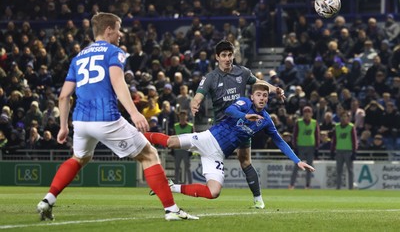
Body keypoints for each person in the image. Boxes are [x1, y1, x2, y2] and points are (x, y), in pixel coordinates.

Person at [36, 12, 198, 221]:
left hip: (81, 121)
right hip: (106, 118)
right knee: (149, 155)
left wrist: (63, 127)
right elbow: (118, 82)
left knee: (80, 158)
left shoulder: (79, 57)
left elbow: (63, 96)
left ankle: (48, 199)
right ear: (108, 30)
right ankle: (171, 210)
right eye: (119, 29)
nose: (121, 34)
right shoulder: (114, 52)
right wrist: (134, 112)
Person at [145, 81, 314, 200]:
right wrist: (245, 115)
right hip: (208, 139)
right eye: (259, 95)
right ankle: (137, 135)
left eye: (265, 95)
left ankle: (171, 187)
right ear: (252, 96)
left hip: (217, 155)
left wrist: (297, 161)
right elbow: (230, 110)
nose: (262, 98)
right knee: (170, 142)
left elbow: (280, 141)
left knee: (213, 193)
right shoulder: (244, 103)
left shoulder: (266, 120)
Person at [189, 40, 285, 209]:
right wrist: (195, 103)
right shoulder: (210, 78)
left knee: (245, 161)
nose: (227, 58)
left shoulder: (243, 73)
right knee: (212, 157)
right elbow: (198, 95)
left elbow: (260, 84)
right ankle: (196, 187)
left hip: (242, 125)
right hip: (222, 128)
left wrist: (275, 89)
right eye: (224, 55)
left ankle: (258, 199)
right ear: (217, 57)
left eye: (230, 55)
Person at [289, 106, 320, 189]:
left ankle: (307, 185)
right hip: (300, 147)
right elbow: (294, 135)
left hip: (311, 147)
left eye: (308, 112)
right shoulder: (298, 122)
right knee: (297, 166)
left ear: (311, 114)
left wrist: (317, 147)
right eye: (305, 112)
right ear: (303, 114)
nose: (307, 114)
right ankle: (292, 184)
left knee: (309, 167)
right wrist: (295, 147)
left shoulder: (314, 122)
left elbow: (317, 135)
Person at [331, 111, 358, 190]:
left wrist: (354, 152)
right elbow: (334, 140)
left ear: (348, 118)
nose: (343, 118)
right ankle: (338, 187)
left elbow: (354, 140)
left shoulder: (351, 127)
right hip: (339, 151)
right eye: (342, 117)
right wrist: (332, 151)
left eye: (345, 116)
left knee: (350, 170)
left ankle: (350, 187)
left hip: (348, 151)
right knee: (339, 171)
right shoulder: (337, 127)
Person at [172, 110, 193, 184]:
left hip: (186, 149)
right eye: (181, 116)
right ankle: (176, 183)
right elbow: (173, 138)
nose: (182, 117)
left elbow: (193, 139)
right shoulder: (176, 126)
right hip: (177, 149)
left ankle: (190, 183)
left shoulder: (190, 126)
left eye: (184, 116)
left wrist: (192, 150)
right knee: (177, 168)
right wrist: (172, 149)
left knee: (188, 168)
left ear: (186, 116)